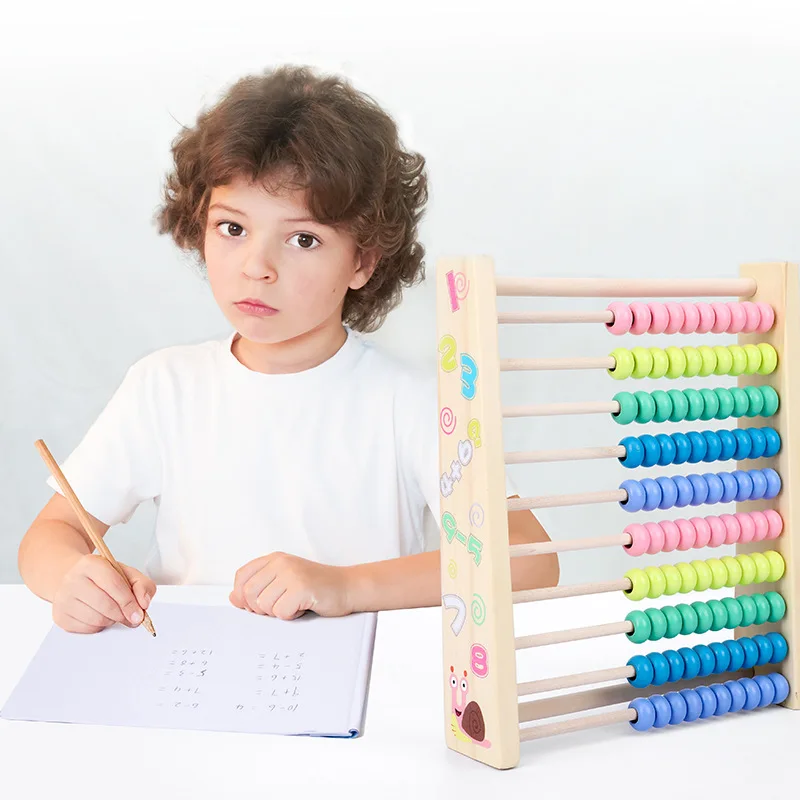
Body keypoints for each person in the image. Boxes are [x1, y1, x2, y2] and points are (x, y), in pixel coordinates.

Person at [18, 64, 559, 634]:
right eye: (232, 228)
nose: (257, 266)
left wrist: (345, 585)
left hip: (366, 694)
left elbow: (528, 557)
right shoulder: (164, 386)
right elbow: (52, 535)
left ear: (363, 261)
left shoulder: (414, 402)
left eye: (303, 239)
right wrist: (72, 578)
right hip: (186, 680)